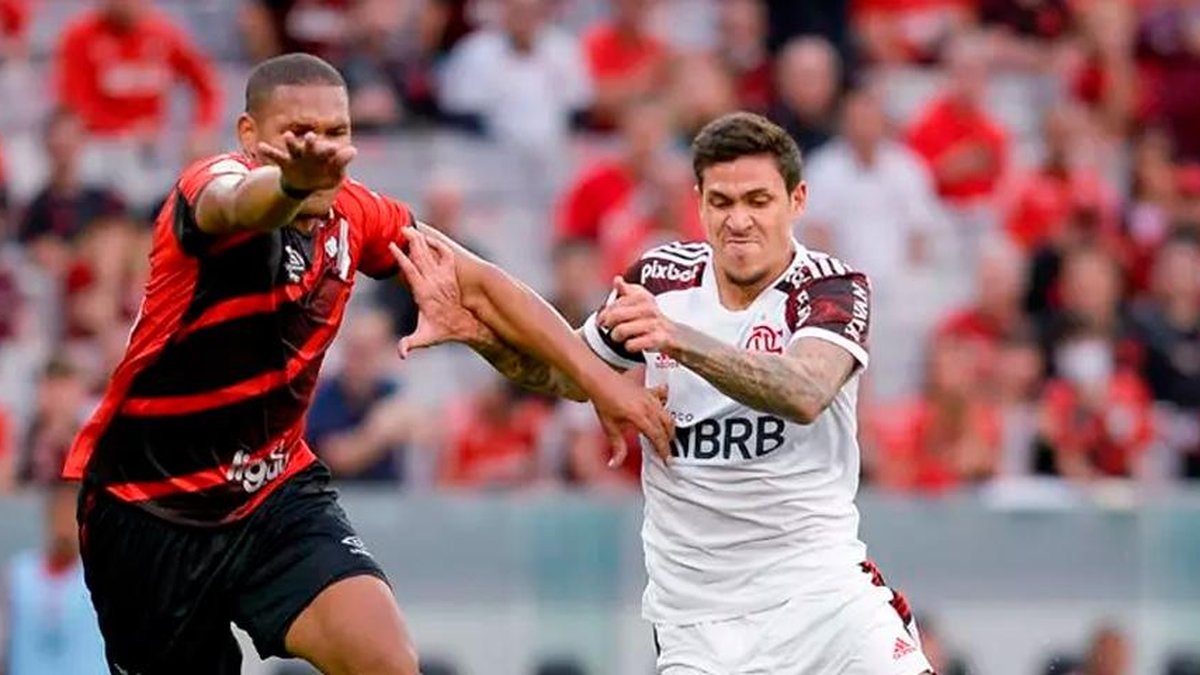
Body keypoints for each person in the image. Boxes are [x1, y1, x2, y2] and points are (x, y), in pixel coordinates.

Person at [61, 52, 673, 675]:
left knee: (385, 662)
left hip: (272, 495)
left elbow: (482, 285)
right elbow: (240, 204)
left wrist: (602, 382)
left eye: (336, 134)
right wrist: (290, 183)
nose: (321, 152)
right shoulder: (209, 189)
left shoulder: (356, 215)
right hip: (146, 511)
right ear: (250, 136)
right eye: (299, 137)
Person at [399, 112, 932, 674]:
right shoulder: (661, 279)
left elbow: (804, 390)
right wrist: (481, 335)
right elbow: (565, 376)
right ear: (699, 202)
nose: (740, 220)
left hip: (824, 601)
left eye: (759, 200)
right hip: (698, 622)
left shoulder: (829, 286)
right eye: (722, 202)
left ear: (796, 201)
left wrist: (676, 340)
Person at [0, 483, 107, 675]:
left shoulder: (100, 576)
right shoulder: (19, 574)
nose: (64, 525)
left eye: (71, 517)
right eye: (59, 514)